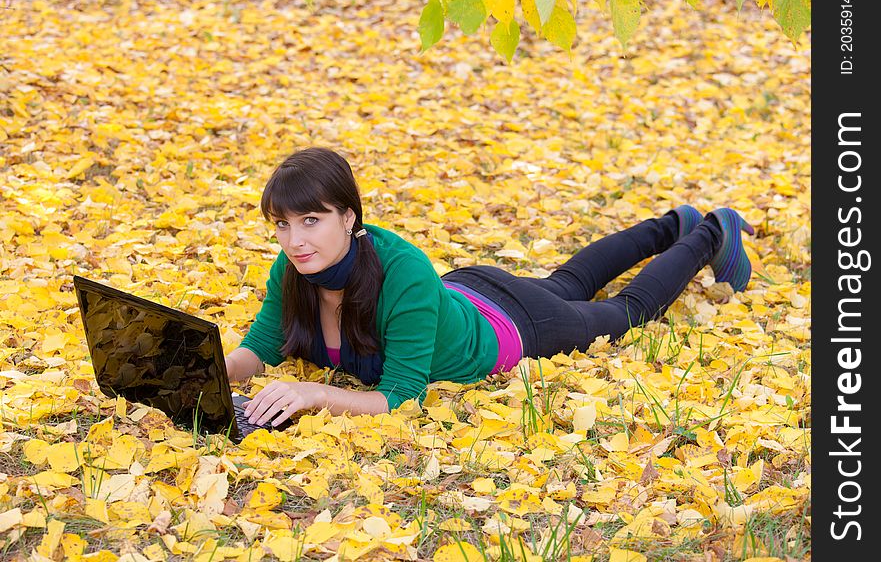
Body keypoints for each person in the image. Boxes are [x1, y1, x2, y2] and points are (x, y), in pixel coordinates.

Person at [225, 147, 755, 426]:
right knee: (568, 280)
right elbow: (261, 348)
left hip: (518, 327)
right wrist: (197, 369)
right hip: (466, 290)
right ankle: (671, 224)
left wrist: (316, 394)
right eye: (281, 224)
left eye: (310, 221)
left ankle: (710, 230)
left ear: (347, 216)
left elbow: (400, 397)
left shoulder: (400, 271)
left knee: (627, 310)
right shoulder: (295, 266)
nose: (294, 240)